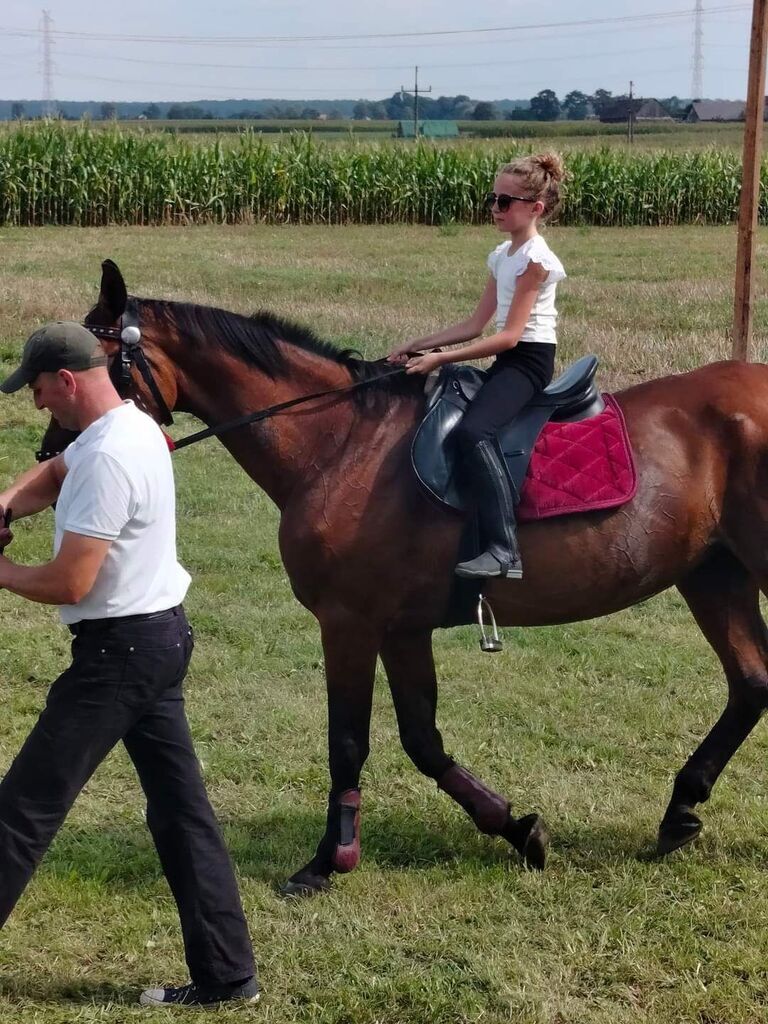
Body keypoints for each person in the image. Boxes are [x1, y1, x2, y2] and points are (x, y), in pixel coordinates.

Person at [0, 321, 259, 1009]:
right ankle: (227, 976)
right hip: (158, 641)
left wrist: (2, 571)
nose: (35, 404)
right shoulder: (129, 427)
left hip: (119, 656)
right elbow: (57, 472)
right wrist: (4, 505)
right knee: (182, 816)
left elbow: (70, 582)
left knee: (22, 810)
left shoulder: (111, 458)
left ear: (67, 381)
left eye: (37, 389)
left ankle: (227, 974)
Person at [388, 152, 567, 580]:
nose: (495, 208)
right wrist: (418, 344)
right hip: (509, 357)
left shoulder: (536, 261)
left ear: (535, 209)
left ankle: (505, 550)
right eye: (493, 198)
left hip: (528, 362)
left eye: (506, 201)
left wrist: (440, 359)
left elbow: (509, 336)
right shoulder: (502, 255)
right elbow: (475, 324)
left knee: (474, 431)